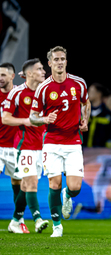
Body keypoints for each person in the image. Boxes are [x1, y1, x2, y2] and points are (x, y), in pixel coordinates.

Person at [29, 46, 91, 237]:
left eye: (62, 59)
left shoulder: (78, 83)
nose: (60, 62)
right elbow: (33, 117)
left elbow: (86, 103)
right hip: (52, 142)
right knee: (53, 183)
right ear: (49, 63)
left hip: (73, 141)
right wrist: (44, 119)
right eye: (56, 59)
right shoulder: (43, 88)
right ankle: (57, 225)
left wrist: (85, 119)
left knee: (75, 188)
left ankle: (67, 195)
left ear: (66, 61)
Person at [3, 58, 49, 233]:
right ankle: (37, 219)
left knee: (25, 185)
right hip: (24, 145)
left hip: (41, 146)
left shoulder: (46, 92)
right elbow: (5, 118)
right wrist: (26, 121)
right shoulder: (17, 93)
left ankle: (15, 221)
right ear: (29, 73)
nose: (43, 72)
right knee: (31, 183)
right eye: (39, 69)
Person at [0, 62, 29, 233]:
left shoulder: (20, 93)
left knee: (20, 183)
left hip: (16, 147)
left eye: (3, 75)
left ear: (12, 76)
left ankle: (18, 220)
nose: (0, 78)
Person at [83, 83, 111, 148]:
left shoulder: (108, 115)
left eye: (91, 91)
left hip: (100, 153)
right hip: (83, 152)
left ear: (99, 94)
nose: (88, 94)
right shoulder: (84, 112)